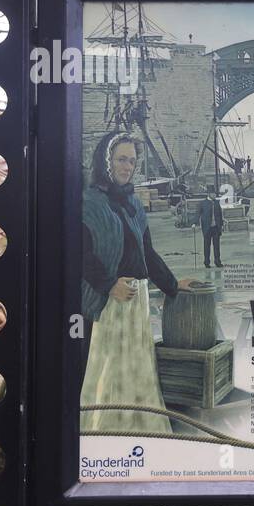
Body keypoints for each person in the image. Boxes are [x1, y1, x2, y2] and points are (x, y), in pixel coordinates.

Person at [81, 132, 196, 435]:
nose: (127, 166)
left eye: (131, 161)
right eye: (121, 159)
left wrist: (172, 284)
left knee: (137, 366)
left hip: (137, 299)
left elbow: (146, 252)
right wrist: (109, 285)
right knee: (110, 368)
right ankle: (104, 429)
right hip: (111, 301)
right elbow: (79, 254)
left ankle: (140, 427)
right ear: (106, 161)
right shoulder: (89, 202)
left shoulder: (133, 203)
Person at [200, 192, 224, 268]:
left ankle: (217, 261)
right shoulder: (203, 203)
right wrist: (194, 223)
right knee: (207, 246)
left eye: (215, 194)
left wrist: (221, 225)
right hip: (207, 228)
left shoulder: (217, 202)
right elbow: (198, 213)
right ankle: (206, 262)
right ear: (209, 194)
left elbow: (220, 214)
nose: (215, 195)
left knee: (216, 246)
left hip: (216, 228)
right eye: (213, 194)